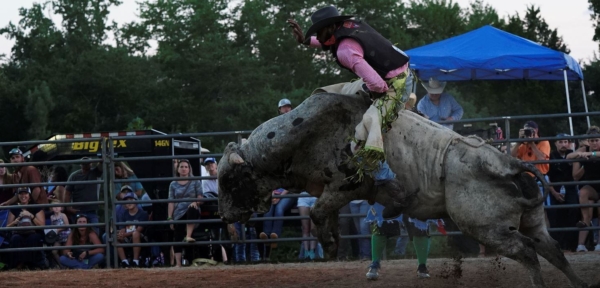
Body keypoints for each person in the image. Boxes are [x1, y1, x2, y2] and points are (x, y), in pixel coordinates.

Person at [288, 6, 413, 180]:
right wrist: (306, 41)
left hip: (393, 85)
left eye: (319, 30)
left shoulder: (345, 50)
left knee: (365, 130)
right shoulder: (349, 26)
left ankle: (387, 179)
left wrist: (374, 100)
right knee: (341, 92)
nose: (318, 35)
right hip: (393, 73)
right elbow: (328, 41)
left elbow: (378, 86)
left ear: (329, 28)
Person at [365, 203, 436, 280]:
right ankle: (374, 264)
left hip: (413, 196)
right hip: (390, 196)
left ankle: (422, 266)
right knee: (380, 225)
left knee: (420, 226)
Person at [567, 126, 600, 252]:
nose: (594, 143)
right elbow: (569, 157)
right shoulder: (584, 149)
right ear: (588, 141)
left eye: (597, 140)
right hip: (592, 186)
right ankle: (585, 223)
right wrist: (580, 155)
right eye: (591, 140)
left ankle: (599, 245)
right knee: (583, 192)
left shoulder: (590, 151)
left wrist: (590, 154)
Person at [546, 133, 579, 252]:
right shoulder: (550, 156)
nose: (563, 144)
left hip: (570, 188)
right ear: (555, 144)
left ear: (569, 143)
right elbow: (546, 177)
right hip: (555, 188)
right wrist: (554, 192)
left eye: (565, 142)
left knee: (574, 211)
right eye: (560, 142)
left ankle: (573, 245)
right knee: (554, 215)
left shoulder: (573, 154)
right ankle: (557, 246)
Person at [167, 159, 203, 267]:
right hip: (178, 213)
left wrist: (195, 202)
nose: (183, 169)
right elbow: (171, 202)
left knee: (192, 208)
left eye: (186, 167)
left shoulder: (195, 181)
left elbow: (201, 197)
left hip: (192, 210)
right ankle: (178, 264)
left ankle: (188, 235)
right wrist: (170, 218)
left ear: (189, 169)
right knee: (177, 235)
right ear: (177, 169)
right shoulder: (173, 184)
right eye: (181, 167)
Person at [6, 187, 46, 269]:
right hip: (18, 232)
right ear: (18, 196)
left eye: (25, 194)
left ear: (29, 196)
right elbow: (8, 226)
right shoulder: (14, 208)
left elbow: (42, 226)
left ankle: (32, 264)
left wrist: (30, 216)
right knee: (15, 239)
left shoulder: (36, 207)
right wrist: (16, 221)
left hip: (34, 232)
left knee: (33, 238)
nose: (23, 196)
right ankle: (18, 265)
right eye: (21, 194)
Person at [64, 157, 103, 228]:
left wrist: (101, 158)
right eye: (84, 163)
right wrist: (68, 208)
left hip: (91, 210)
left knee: (95, 231)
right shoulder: (74, 176)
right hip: (78, 210)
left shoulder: (95, 172)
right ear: (80, 164)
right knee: (77, 233)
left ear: (91, 164)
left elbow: (101, 165)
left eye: (87, 163)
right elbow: (67, 193)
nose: (85, 165)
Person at [116, 192, 149, 268]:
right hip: (127, 236)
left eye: (131, 199)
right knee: (116, 236)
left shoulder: (143, 213)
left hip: (141, 237)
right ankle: (124, 262)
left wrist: (124, 234)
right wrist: (121, 234)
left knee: (135, 233)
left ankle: (135, 261)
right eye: (127, 200)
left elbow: (139, 229)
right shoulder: (123, 214)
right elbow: (122, 228)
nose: (129, 202)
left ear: (136, 201)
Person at [297, 192, 320, 260]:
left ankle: (312, 252)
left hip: (316, 197)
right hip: (303, 197)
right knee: (305, 228)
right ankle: (306, 253)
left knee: (313, 228)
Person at [49, 200, 70, 266]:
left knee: (65, 252)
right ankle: (61, 266)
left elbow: (67, 225)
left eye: (58, 206)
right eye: (54, 206)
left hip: (66, 236)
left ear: (61, 208)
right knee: (54, 251)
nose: (56, 208)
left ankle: (68, 265)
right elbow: (52, 226)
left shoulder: (63, 215)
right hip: (58, 237)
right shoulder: (51, 217)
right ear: (51, 208)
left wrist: (58, 230)